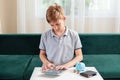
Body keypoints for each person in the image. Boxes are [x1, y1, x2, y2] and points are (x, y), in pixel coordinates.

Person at [39, 3, 83, 72]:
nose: (55, 28)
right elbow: (42, 54)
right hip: (50, 70)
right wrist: (47, 63)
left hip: (68, 69)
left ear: (64, 19)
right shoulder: (45, 35)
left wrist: (66, 65)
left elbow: (79, 56)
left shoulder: (74, 35)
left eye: (58, 24)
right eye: (52, 25)